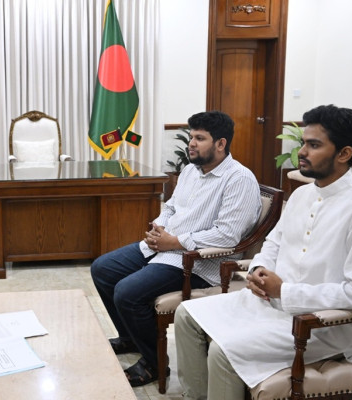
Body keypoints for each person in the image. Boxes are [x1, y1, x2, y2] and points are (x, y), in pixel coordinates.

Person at [175, 105, 352, 399]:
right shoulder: (303, 194)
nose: (301, 151)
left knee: (223, 351)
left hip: (323, 324)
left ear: (344, 154)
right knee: (186, 314)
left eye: (313, 145)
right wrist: (258, 270)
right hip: (273, 304)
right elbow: (273, 244)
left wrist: (285, 292)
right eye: (303, 142)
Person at [91, 111, 261, 387]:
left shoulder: (239, 179)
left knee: (127, 292)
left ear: (221, 144)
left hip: (200, 262)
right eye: (191, 137)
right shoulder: (190, 170)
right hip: (167, 247)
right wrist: (158, 228)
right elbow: (171, 207)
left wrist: (174, 241)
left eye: (200, 138)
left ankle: (155, 364)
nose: (191, 143)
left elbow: (227, 236)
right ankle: (130, 338)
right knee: (103, 269)